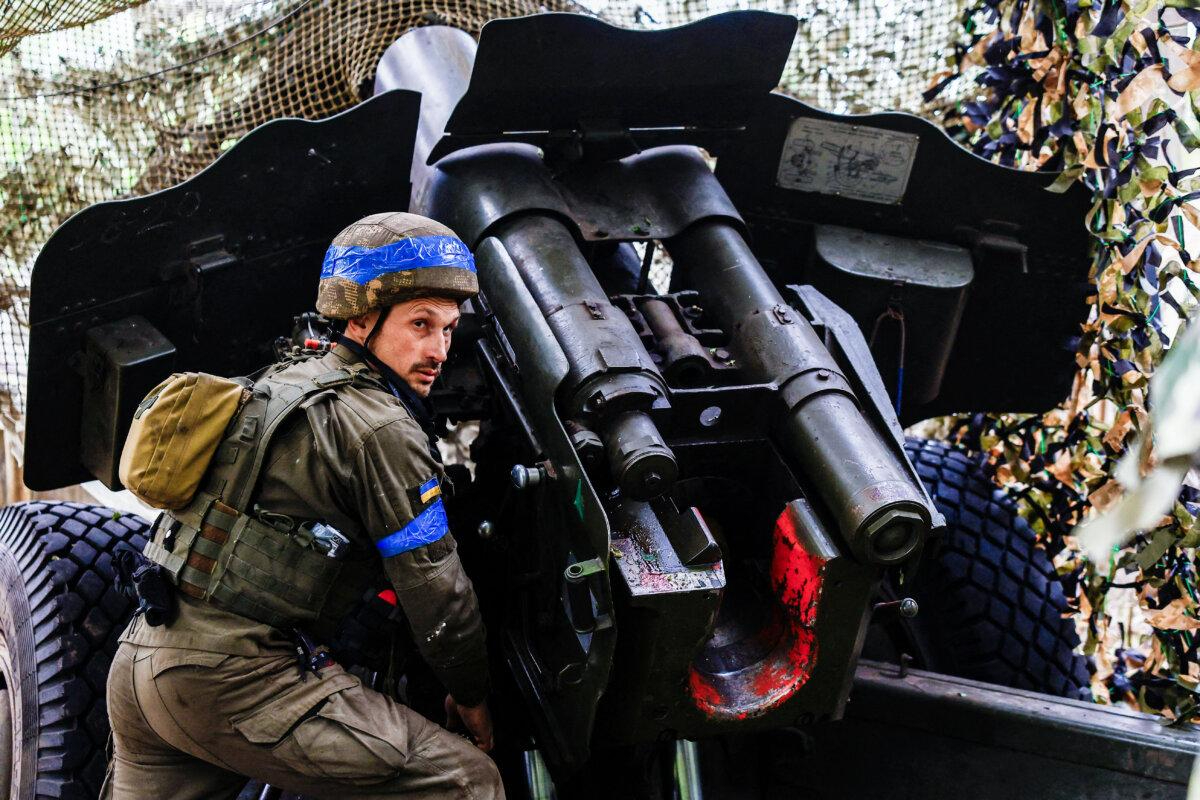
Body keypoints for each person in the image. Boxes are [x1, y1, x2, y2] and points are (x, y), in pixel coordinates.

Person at [105, 212, 503, 799]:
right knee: (465, 781)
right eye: (420, 324)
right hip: (233, 681)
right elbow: (437, 592)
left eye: (447, 329)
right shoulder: (380, 427)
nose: (438, 349)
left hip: (143, 662)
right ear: (362, 318)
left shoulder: (276, 382)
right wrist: (471, 697)